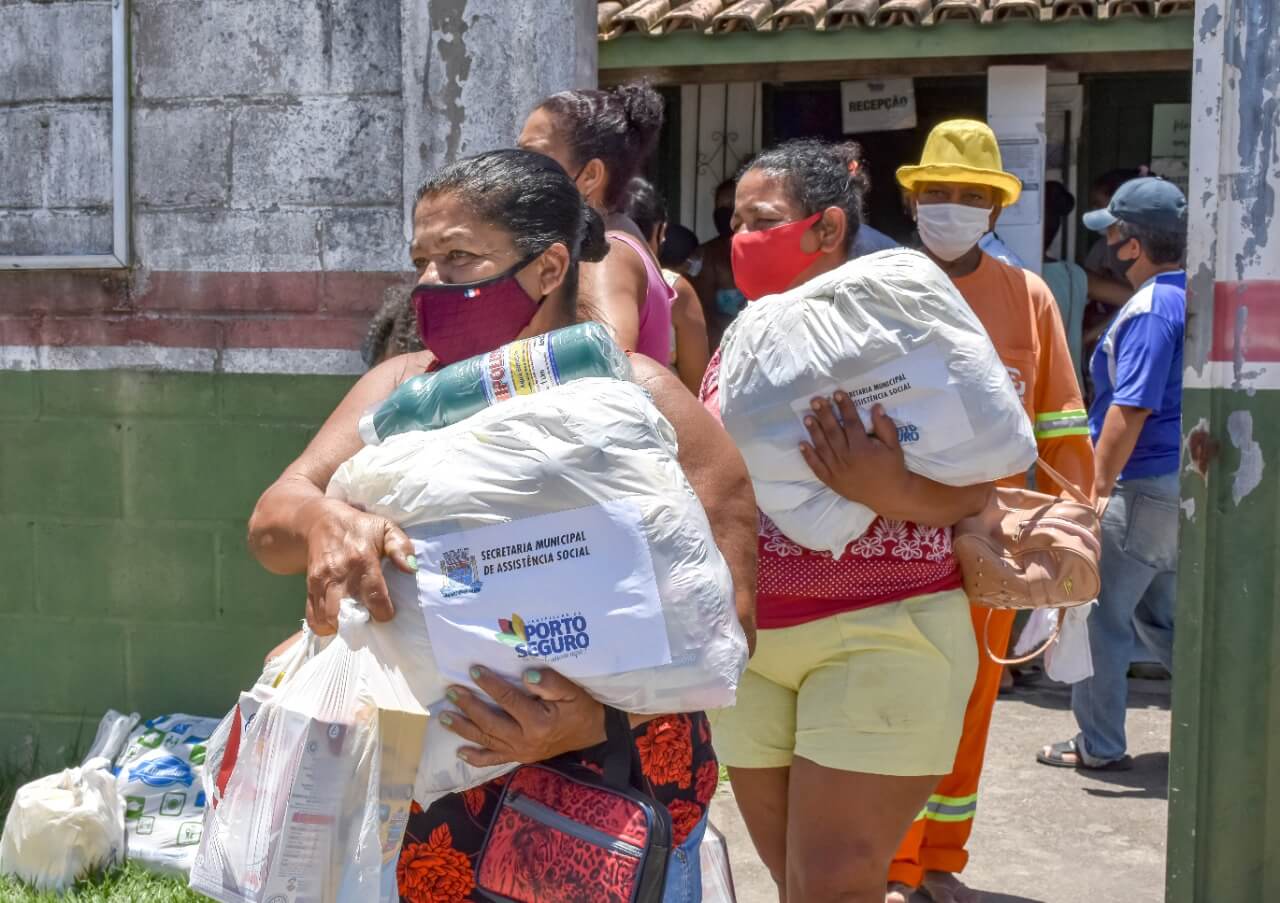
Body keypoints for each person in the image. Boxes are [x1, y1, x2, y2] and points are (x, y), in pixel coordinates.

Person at [246, 149, 759, 903]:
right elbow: (270, 521)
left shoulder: (642, 402)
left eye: (457, 259)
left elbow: (728, 629)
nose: (429, 283)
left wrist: (591, 719)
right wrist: (324, 519)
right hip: (429, 811)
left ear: (550, 267)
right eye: (422, 260)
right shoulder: (400, 391)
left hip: (608, 800)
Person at [701, 138, 989, 903]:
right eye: (734, 220)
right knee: (800, 886)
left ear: (826, 229)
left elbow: (985, 481)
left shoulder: (900, 322)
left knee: (832, 887)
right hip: (757, 655)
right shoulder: (742, 339)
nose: (740, 238)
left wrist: (887, 488)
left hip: (885, 630)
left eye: (762, 220)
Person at [891, 120, 1095, 903]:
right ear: (912, 201)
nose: (951, 208)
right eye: (937, 193)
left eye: (970, 196)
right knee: (904, 701)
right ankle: (894, 864)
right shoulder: (878, 290)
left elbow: (1060, 420)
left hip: (997, 540)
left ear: (995, 210)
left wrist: (1072, 528)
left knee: (973, 704)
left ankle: (939, 859)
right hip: (895, 535)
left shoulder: (1027, 297)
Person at [1038, 177, 1186, 771]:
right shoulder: (1184, 297)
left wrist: (1095, 496)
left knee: (1100, 618)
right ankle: (1234, 731)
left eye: (1115, 235)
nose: (1109, 248)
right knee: (1161, 620)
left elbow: (1129, 409)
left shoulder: (1150, 308)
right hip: (1171, 485)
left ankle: (1099, 745)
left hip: (1139, 485)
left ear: (1134, 244)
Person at [518, 83, 676, 363]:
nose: (518, 169)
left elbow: (602, 366)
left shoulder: (604, 256)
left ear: (590, 175)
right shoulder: (618, 236)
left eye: (533, 156)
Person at [624, 176, 711, 392]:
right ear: (661, 232)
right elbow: (696, 385)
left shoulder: (571, 283)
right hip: (664, 417)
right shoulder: (674, 290)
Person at [1041, 180, 1090, 384]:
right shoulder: (1074, 274)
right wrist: (1082, 337)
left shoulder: (1011, 273)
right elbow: (1127, 296)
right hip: (1072, 393)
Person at [693, 177, 747, 350]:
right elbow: (703, 314)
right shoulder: (706, 255)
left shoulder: (765, 252)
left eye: (731, 204)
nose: (725, 211)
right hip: (721, 348)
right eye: (720, 205)